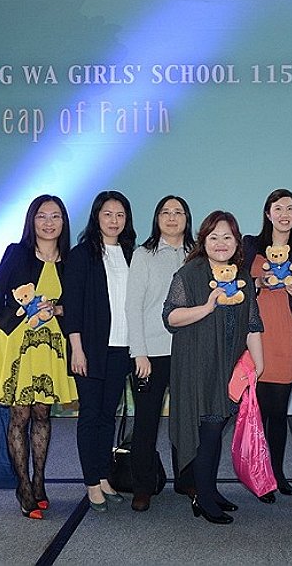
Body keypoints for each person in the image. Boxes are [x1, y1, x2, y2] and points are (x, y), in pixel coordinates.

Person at [0, 194, 78, 519]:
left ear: (64, 222)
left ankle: (39, 482)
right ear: (32, 220)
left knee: (43, 414)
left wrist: (56, 309)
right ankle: (24, 487)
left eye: (56, 216)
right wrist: (3, 316)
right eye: (42, 216)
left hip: (51, 346)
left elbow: (77, 303)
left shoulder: (71, 259)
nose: (49, 222)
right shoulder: (17, 252)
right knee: (20, 415)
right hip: (18, 344)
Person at [163, 211, 264, 525]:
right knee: (208, 431)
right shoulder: (189, 274)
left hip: (230, 367)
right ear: (203, 241)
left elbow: (252, 323)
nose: (221, 243)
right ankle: (204, 498)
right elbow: (170, 317)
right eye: (214, 237)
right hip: (197, 366)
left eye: (227, 237)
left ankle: (210, 490)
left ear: (236, 241)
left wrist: (259, 364)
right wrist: (207, 307)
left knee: (217, 429)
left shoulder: (242, 276)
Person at [62, 190, 136, 512]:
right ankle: (91, 482)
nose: (114, 220)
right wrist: (76, 349)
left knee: (108, 415)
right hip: (90, 349)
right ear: (96, 217)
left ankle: (104, 476)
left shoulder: (132, 254)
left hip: (122, 348)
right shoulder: (82, 255)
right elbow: (73, 306)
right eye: (108, 214)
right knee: (90, 416)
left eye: (120, 215)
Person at [125, 195, 196, 512]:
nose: (172, 217)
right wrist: (138, 352)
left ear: (187, 218)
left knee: (186, 422)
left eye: (178, 212)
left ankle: (186, 479)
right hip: (151, 354)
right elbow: (133, 306)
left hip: (188, 352)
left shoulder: (197, 254)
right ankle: (142, 487)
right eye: (165, 212)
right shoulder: (144, 255)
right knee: (146, 423)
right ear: (156, 218)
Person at [242, 189, 292, 503]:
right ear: (268, 213)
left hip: (283, 334)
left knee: (278, 413)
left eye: (290, 208)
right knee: (256, 412)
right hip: (253, 336)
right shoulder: (250, 245)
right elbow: (237, 286)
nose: (285, 214)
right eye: (278, 208)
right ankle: (259, 475)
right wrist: (258, 283)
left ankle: (276, 472)